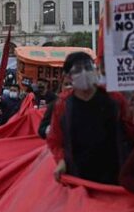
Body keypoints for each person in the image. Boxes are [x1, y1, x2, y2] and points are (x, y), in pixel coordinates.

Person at [48, 52, 124, 184]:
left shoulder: (114, 98)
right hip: (79, 178)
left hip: (115, 176)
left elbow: (131, 131)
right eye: (78, 70)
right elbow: (55, 140)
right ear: (68, 77)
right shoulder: (63, 105)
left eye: (88, 67)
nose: (84, 72)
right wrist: (61, 161)